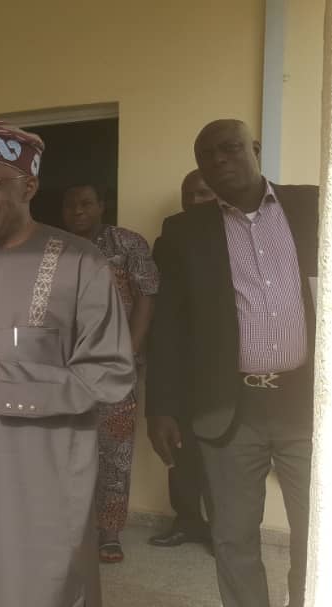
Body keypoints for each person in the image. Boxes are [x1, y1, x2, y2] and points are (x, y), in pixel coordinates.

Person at [0, 124, 135, 606]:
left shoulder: (82, 263)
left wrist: (5, 377)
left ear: (29, 186)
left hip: (48, 485)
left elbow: (110, 374)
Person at [148, 119, 318, 607]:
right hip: (227, 408)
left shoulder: (313, 205)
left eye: (229, 148)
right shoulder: (184, 232)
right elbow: (169, 327)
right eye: (207, 155)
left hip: (307, 404)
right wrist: (161, 406)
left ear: (254, 148)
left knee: (319, 528)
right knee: (232, 536)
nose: (219, 160)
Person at [62, 182, 159, 563]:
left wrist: (130, 351)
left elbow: (147, 295)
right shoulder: (54, 247)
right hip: (65, 369)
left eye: (86, 203)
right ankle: (72, 529)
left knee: (115, 452)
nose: (78, 211)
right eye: (70, 205)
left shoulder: (127, 243)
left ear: (102, 205)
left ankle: (109, 532)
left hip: (116, 368)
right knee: (66, 449)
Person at [147, 169, 217, 550]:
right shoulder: (172, 233)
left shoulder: (237, 234)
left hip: (226, 366)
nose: (193, 201)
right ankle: (187, 520)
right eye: (188, 195)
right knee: (179, 446)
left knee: (224, 456)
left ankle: (223, 530)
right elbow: (164, 307)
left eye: (203, 194)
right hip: (182, 363)